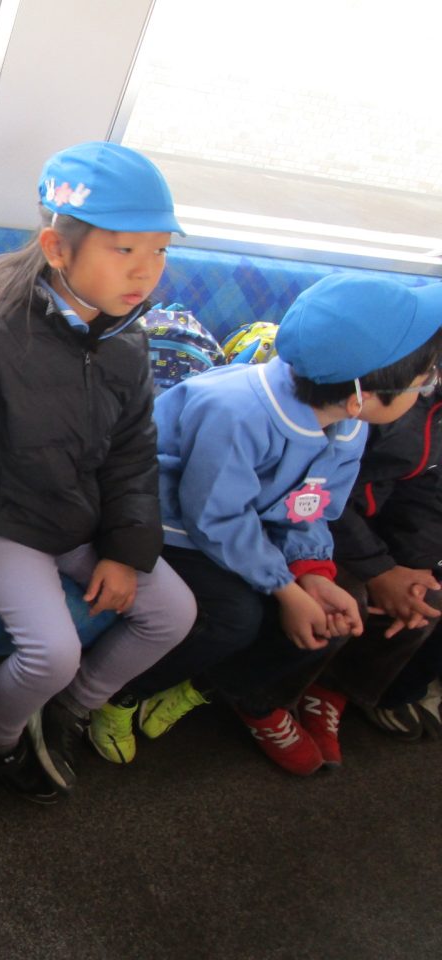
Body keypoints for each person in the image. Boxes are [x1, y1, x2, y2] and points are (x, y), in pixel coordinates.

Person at [0, 141, 198, 802]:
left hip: (76, 513)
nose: (145, 271)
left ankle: (70, 707)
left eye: (159, 251)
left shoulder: (125, 336)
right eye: (125, 249)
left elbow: (132, 452)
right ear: (57, 248)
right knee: (52, 652)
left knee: (175, 612)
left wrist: (125, 549)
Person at [94, 273, 442, 774]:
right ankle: (121, 693)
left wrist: (313, 573)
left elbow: (312, 508)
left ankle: (199, 687)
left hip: (244, 529)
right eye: (423, 380)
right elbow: (214, 518)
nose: (428, 386)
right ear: (360, 395)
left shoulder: (348, 425)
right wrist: (284, 588)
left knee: (332, 617)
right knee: (236, 614)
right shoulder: (235, 411)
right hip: (168, 524)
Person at [318, 388, 442, 746]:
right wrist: (381, 570)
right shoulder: (393, 413)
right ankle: (274, 696)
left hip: (378, 535)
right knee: (355, 601)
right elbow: (330, 500)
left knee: (425, 596)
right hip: (328, 529)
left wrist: (419, 569)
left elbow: (424, 498)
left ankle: (343, 689)